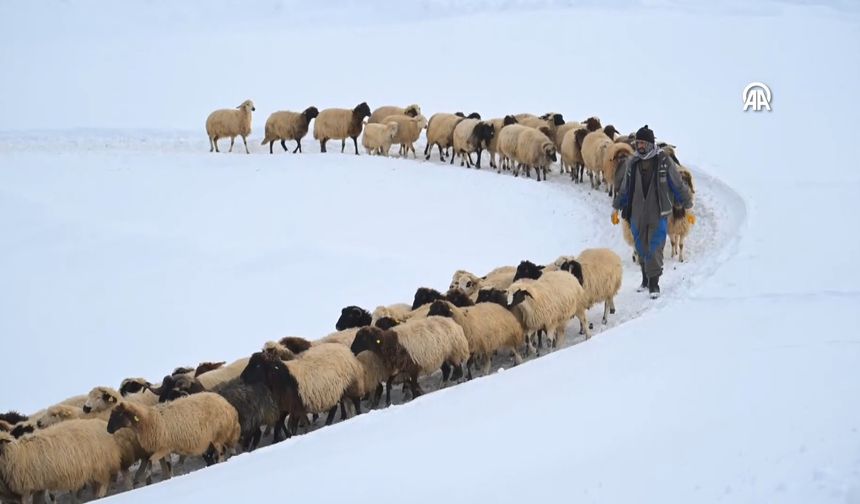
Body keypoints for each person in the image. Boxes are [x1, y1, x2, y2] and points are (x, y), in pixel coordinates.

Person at [611, 125, 693, 298]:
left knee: (655, 247)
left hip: (658, 212)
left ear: (650, 143)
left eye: (643, 143)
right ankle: (645, 280)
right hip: (636, 212)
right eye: (638, 142)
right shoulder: (632, 163)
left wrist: (688, 205)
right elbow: (625, 188)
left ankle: (654, 283)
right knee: (641, 246)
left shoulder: (663, 161)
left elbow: (677, 183)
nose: (640, 146)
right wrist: (616, 207)